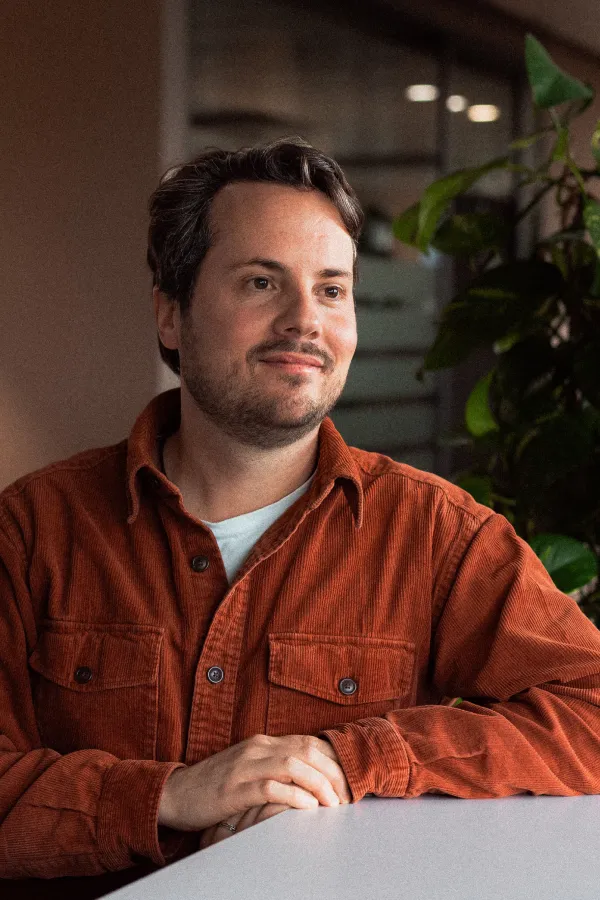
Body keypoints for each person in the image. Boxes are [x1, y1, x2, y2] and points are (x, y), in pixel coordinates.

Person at [2, 138, 600, 898]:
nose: (304, 322)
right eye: (260, 282)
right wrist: (168, 795)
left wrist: (350, 760)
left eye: (331, 290)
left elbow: (591, 705)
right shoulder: (31, 530)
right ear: (170, 316)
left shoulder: (435, 535)